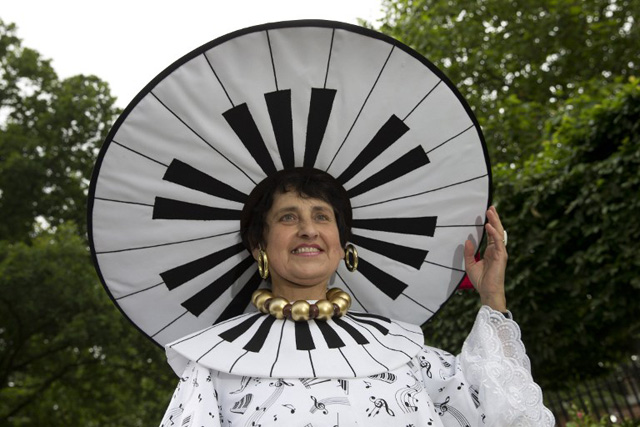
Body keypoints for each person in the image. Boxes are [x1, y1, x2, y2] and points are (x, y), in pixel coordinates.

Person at [159, 167, 555, 427]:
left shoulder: (402, 352)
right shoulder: (213, 367)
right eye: (288, 217)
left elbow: (504, 414)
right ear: (258, 246)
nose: (308, 230)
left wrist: (492, 296)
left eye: (322, 217)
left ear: (342, 245)